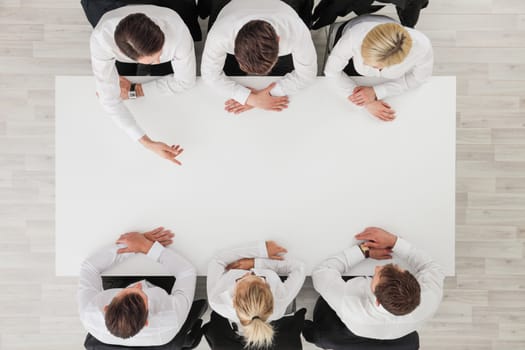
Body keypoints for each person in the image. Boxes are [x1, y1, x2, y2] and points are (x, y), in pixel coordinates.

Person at [90, 5, 196, 164]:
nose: (158, 61)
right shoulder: (101, 40)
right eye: (152, 60)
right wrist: (147, 143)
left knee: (163, 70)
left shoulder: (178, 32)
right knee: (123, 73)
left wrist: (135, 90)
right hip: (113, 22)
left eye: (159, 55)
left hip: (169, 20)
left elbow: (186, 81)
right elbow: (108, 99)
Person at [308, 227, 444, 345]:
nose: (378, 266)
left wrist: (364, 250)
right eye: (395, 267)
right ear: (416, 284)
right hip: (396, 335)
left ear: (377, 300)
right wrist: (394, 242)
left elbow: (322, 273)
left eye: (376, 275)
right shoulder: (430, 298)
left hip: (342, 330)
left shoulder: (349, 304)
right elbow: (431, 267)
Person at [78, 227, 197, 346]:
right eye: (143, 296)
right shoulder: (170, 317)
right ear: (146, 322)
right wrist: (147, 247)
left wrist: (134, 245)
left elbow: (89, 267)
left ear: (106, 307)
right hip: (162, 288)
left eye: (126, 292)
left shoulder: (90, 312)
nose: (139, 285)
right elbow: (186, 272)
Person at [201, 0, 317, 115]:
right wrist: (252, 99)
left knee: (282, 71)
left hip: (281, 6)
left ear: (278, 40)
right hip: (232, 7)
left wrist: (267, 95)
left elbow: (307, 75)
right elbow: (209, 74)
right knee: (230, 70)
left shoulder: (296, 32)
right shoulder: (220, 35)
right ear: (234, 46)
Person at [324, 14, 433, 121]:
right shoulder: (353, 38)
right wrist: (365, 102)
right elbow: (332, 71)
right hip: (350, 35)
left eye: (374, 65)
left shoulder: (422, 47)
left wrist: (377, 91)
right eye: (364, 58)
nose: (365, 64)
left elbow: (420, 78)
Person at [207, 240, 305, 348]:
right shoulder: (278, 303)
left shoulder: (216, 300)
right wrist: (255, 263)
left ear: (234, 300)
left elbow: (218, 260)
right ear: (268, 288)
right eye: (258, 277)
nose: (249, 272)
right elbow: (299, 268)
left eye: (242, 279)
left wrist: (261, 250)